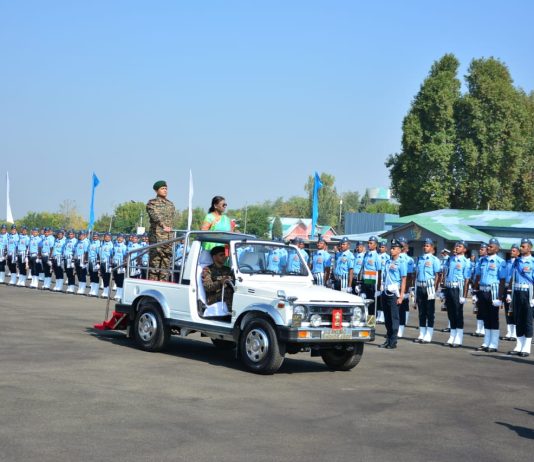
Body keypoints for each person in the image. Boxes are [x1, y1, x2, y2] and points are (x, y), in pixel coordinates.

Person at [474, 238, 506, 352]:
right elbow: (478, 277)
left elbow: (502, 280)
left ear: (497, 249)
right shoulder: (482, 261)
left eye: (491, 246)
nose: (488, 248)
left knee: (493, 318)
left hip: (493, 292)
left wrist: (499, 297)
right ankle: (486, 342)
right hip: (483, 291)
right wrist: (475, 292)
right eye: (488, 246)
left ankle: (494, 344)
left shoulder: (500, 262)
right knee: (485, 317)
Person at [506, 239, 533, 357]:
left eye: (523, 246)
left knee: (527, 320)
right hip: (516, 292)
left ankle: (526, 347)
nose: (521, 248)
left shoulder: (532, 262)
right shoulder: (516, 262)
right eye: (521, 246)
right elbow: (512, 278)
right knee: (518, 320)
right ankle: (519, 345)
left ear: (530, 248)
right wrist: (508, 293)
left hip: (528, 293)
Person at [379, 239, 407, 349]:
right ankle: (388, 339)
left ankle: (393, 341)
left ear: (399, 250)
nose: (391, 250)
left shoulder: (401, 263)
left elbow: (403, 279)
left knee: (394, 317)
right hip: (385, 292)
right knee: (387, 317)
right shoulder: (387, 262)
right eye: (391, 248)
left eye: (394, 248)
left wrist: (401, 296)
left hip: (394, 293)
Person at [442, 241, 471, 348]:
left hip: (458, 289)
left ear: (464, 249)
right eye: (456, 246)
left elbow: (467, 280)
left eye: (460, 246)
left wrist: (464, 295)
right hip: (449, 287)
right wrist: (444, 290)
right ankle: (452, 335)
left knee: (458, 313)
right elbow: (446, 274)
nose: (457, 248)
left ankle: (458, 338)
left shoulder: (465, 262)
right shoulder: (450, 260)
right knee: (450, 313)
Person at [414, 238, 441, 344]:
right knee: (421, 311)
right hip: (420, 286)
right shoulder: (419, 259)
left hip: (429, 287)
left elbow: (438, 275)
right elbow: (416, 274)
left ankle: (429, 334)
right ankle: (421, 333)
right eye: (425, 245)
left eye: (428, 245)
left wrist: (435, 289)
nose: (425, 247)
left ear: (432, 248)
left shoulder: (435, 260)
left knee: (430, 312)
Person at [146, 180, 175, 281]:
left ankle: (163, 286)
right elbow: (154, 216)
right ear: (156, 190)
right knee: (155, 265)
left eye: (166, 188)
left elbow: (171, 221)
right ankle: (152, 288)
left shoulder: (170, 204)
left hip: (168, 240)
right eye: (162, 188)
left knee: (165, 266)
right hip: (156, 238)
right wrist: (163, 226)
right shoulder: (152, 203)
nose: (165, 190)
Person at [201, 245, 234, 312]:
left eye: (225, 255)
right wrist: (220, 282)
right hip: (213, 298)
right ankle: (231, 313)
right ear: (214, 257)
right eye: (221, 255)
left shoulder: (228, 270)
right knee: (228, 292)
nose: (224, 257)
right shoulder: (207, 270)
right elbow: (208, 287)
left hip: (224, 295)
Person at [502, 244, 520, 341]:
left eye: (514, 251)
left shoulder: (519, 262)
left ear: (518, 252)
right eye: (511, 250)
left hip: (515, 288)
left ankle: (515, 333)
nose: (511, 252)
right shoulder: (507, 262)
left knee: (515, 311)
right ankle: (509, 332)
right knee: (507, 310)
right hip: (506, 287)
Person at [361, 236, 382, 316]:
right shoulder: (366, 254)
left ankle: (371, 320)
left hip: (372, 280)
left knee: (371, 302)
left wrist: (378, 287)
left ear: (375, 245)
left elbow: (379, 271)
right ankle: (365, 318)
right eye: (368, 243)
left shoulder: (377, 256)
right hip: (365, 279)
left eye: (371, 243)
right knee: (364, 300)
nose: (369, 245)